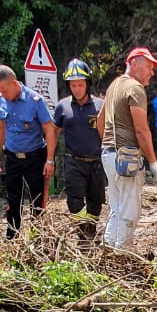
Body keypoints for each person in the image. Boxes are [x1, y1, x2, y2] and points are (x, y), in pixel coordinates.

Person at [99, 46, 157, 253]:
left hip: (108, 154)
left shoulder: (114, 86)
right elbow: (142, 130)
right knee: (130, 210)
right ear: (134, 63)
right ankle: (123, 253)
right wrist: (153, 162)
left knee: (116, 208)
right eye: (149, 67)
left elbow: (100, 121)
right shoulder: (135, 88)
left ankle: (108, 251)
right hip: (125, 157)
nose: (152, 73)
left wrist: (108, 144)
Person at [0, 64, 58, 237]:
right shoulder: (2, 100)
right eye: (0, 92)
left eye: (5, 90)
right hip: (12, 156)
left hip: (35, 156)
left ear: (14, 83)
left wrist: (50, 160)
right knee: (13, 199)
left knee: (37, 199)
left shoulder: (34, 101)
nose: (3, 95)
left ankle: (39, 236)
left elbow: (49, 129)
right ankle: (12, 235)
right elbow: (0, 126)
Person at [52, 58, 107, 228]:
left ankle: (90, 230)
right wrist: (49, 159)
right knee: (74, 203)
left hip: (96, 162)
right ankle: (82, 229)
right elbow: (53, 133)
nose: (77, 89)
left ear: (87, 84)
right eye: (73, 85)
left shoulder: (100, 106)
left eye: (80, 85)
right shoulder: (62, 107)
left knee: (95, 202)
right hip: (73, 161)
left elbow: (107, 134)